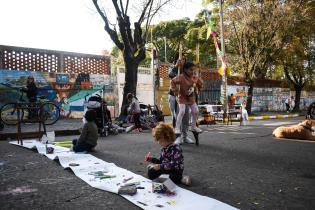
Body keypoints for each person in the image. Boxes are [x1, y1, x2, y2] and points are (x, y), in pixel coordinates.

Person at [171, 62, 203, 136]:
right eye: (190, 70)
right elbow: (172, 82)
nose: (192, 71)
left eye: (193, 70)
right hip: (182, 97)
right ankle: (177, 128)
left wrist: (199, 82)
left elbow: (200, 83)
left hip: (191, 98)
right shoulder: (181, 77)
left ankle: (193, 126)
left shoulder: (194, 76)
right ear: (185, 70)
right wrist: (176, 91)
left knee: (196, 111)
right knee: (182, 111)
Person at [168, 55, 194, 144]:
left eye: (184, 59)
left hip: (185, 97)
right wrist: (176, 67)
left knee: (186, 116)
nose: (182, 60)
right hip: (174, 96)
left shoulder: (187, 71)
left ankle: (185, 136)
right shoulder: (173, 67)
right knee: (177, 115)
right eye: (180, 58)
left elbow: (194, 79)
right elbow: (170, 75)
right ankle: (176, 137)